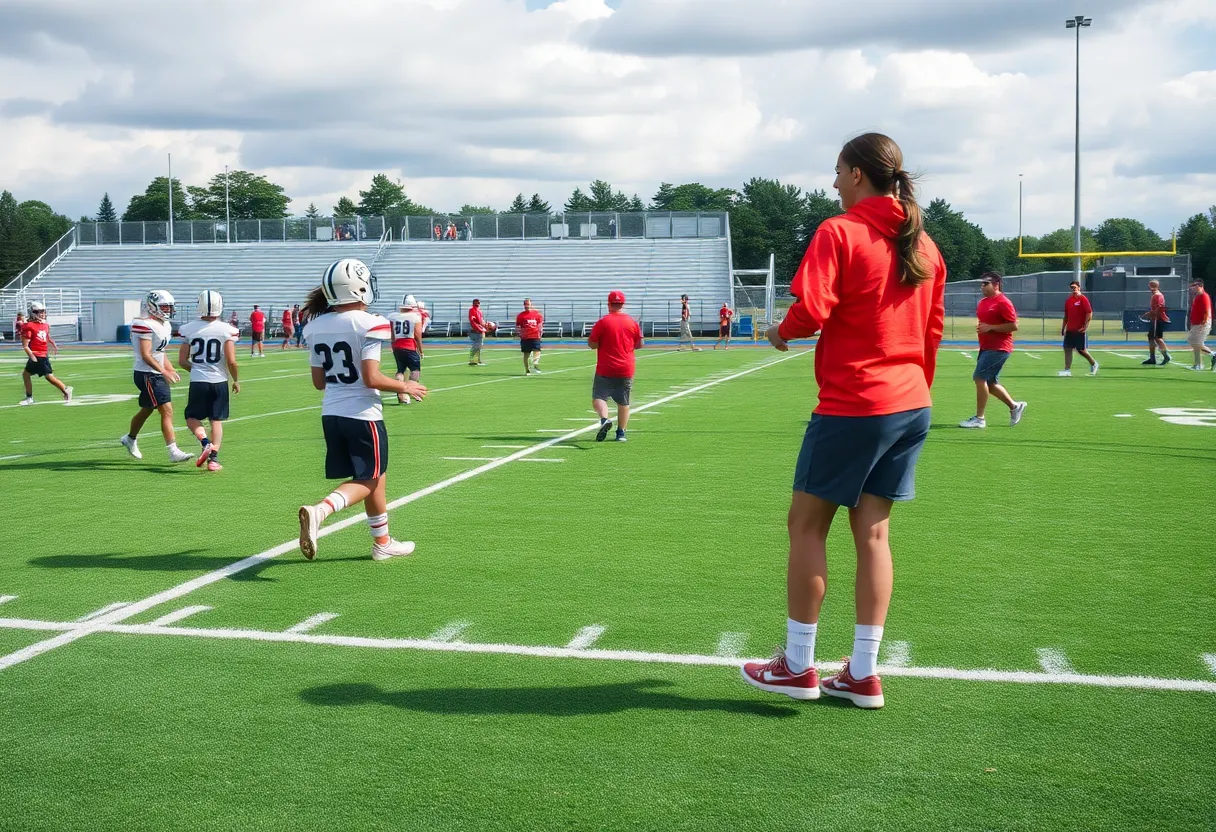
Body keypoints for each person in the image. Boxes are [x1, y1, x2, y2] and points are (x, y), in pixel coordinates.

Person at [741, 132, 946, 709]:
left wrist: (781, 331)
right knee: (874, 532)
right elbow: (930, 332)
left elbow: (813, 307)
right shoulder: (924, 244)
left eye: (837, 172)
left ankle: (798, 665)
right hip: (911, 403)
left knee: (806, 526)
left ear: (859, 175)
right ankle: (861, 673)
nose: (832, 183)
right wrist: (911, 391)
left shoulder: (842, 231)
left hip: (858, 401)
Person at [296, 258, 428, 562]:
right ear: (358, 286)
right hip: (363, 413)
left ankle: (382, 543)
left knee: (375, 476)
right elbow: (371, 377)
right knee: (368, 479)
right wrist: (405, 386)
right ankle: (321, 511)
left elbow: (319, 382)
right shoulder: (370, 322)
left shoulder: (314, 327)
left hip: (332, 413)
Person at [120, 290, 194, 463]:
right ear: (152, 306)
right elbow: (146, 354)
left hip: (155, 372)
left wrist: (170, 368)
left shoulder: (164, 324)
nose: (168, 310)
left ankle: (130, 438)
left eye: (169, 307)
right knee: (166, 410)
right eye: (164, 306)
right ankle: (173, 451)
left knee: (147, 409)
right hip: (147, 373)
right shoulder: (143, 324)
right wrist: (164, 371)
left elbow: (160, 352)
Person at [177, 290, 240, 471]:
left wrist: (196, 369)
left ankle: (205, 442)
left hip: (198, 381)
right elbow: (231, 361)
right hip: (219, 381)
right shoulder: (227, 330)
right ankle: (213, 459)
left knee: (191, 418)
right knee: (216, 420)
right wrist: (236, 380)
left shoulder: (189, 329)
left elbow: (182, 360)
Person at [959, 273, 1026, 429]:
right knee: (990, 383)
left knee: (979, 378)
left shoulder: (1003, 302)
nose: (982, 286)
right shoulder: (983, 302)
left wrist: (991, 328)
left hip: (999, 348)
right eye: (981, 283)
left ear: (996, 284)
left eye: (985, 283)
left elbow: (1013, 325)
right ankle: (1015, 406)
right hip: (986, 347)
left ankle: (979, 418)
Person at [588, 290, 643, 443]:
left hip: (605, 367)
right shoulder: (631, 322)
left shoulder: (603, 322)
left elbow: (592, 344)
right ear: (622, 304)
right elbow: (639, 344)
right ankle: (621, 433)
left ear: (609, 304)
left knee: (599, 397)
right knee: (623, 401)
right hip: (625, 367)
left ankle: (605, 419)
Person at [18, 302, 72, 405]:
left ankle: (65, 389)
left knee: (46, 376)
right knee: (34, 375)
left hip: (37, 355)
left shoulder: (30, 326)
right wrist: (53, 344)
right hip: (42, 354)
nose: (42, 314)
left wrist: (32, 356)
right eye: (39, 312)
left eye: (42, 311)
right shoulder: (44, 325)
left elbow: (25, 344)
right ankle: (65, 390)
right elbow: (45, 338)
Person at [388, 295, 423, 405]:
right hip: (409, 345)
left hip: (397, 345)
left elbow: (392, 334)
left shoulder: (394, 317)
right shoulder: (415, 317)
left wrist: (393, 345)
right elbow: (417, 335)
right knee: (415, 370)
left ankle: (401, 394)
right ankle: (414, 392)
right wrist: (421, 350)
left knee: (400, 370)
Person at [1058, 280, 1098, 377]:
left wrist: (1085, 326)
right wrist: (1063, 327)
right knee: (1067, 348)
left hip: (1079, 330)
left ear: (1079, 288)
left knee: (1081, 350)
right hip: (1070, 330)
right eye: (1071, 288)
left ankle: (1094, 364)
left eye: (1075, 287)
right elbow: (1066, 316)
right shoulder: (1069, 301)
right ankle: (1067, 370)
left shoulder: (1083, 299)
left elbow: (1089, 313)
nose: (1073, 289)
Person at [1141, 279, 1172, 365]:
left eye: (1151, 286)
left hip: (1157, 319)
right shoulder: (1156, 295)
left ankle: (1166, 356)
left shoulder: (1158, 296)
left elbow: (1158, 308)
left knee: (1157, 338)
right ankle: (1152, 358)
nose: (1150, 288)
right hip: (1154, 319)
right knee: (1151, 337)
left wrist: (1148, 314)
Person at [1186, 278, 1214, 371]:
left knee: (1194, 342)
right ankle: (1198, 364)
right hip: (1196, 323)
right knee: (1195, 343)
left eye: (1194, 286)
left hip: (1202, 323)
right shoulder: (1197, 296)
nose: (1192, 288)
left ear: (1200, 286)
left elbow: (1207, 310)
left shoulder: (1203, 296)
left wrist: (1204, 321)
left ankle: (1212, 355)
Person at [516, 298, 545, 374]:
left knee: (537, 350)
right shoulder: (521, 316)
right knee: (526, 354)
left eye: (528, 304)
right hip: (525, 337)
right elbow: (518, 326)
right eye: (525, 304)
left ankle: (535, 363)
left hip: (535, 335)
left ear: (531, 305)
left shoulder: (537, 314)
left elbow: (540, 324)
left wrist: (541, 332)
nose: (527, 306)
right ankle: (527, 369)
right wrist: (519, 333)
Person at [468, 298, 487, 366]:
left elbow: (481, 321)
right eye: (475, 303)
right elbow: (473, 321)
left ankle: (477, 360)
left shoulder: (479, 311)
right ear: (473, 303)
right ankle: (472, 360)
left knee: (478, 346)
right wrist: (478, 328)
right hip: (475, 331)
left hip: (480, 330)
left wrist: (485, 326)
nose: (477, 304)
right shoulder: (472, 310)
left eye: (478, 303)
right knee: (476, 346)